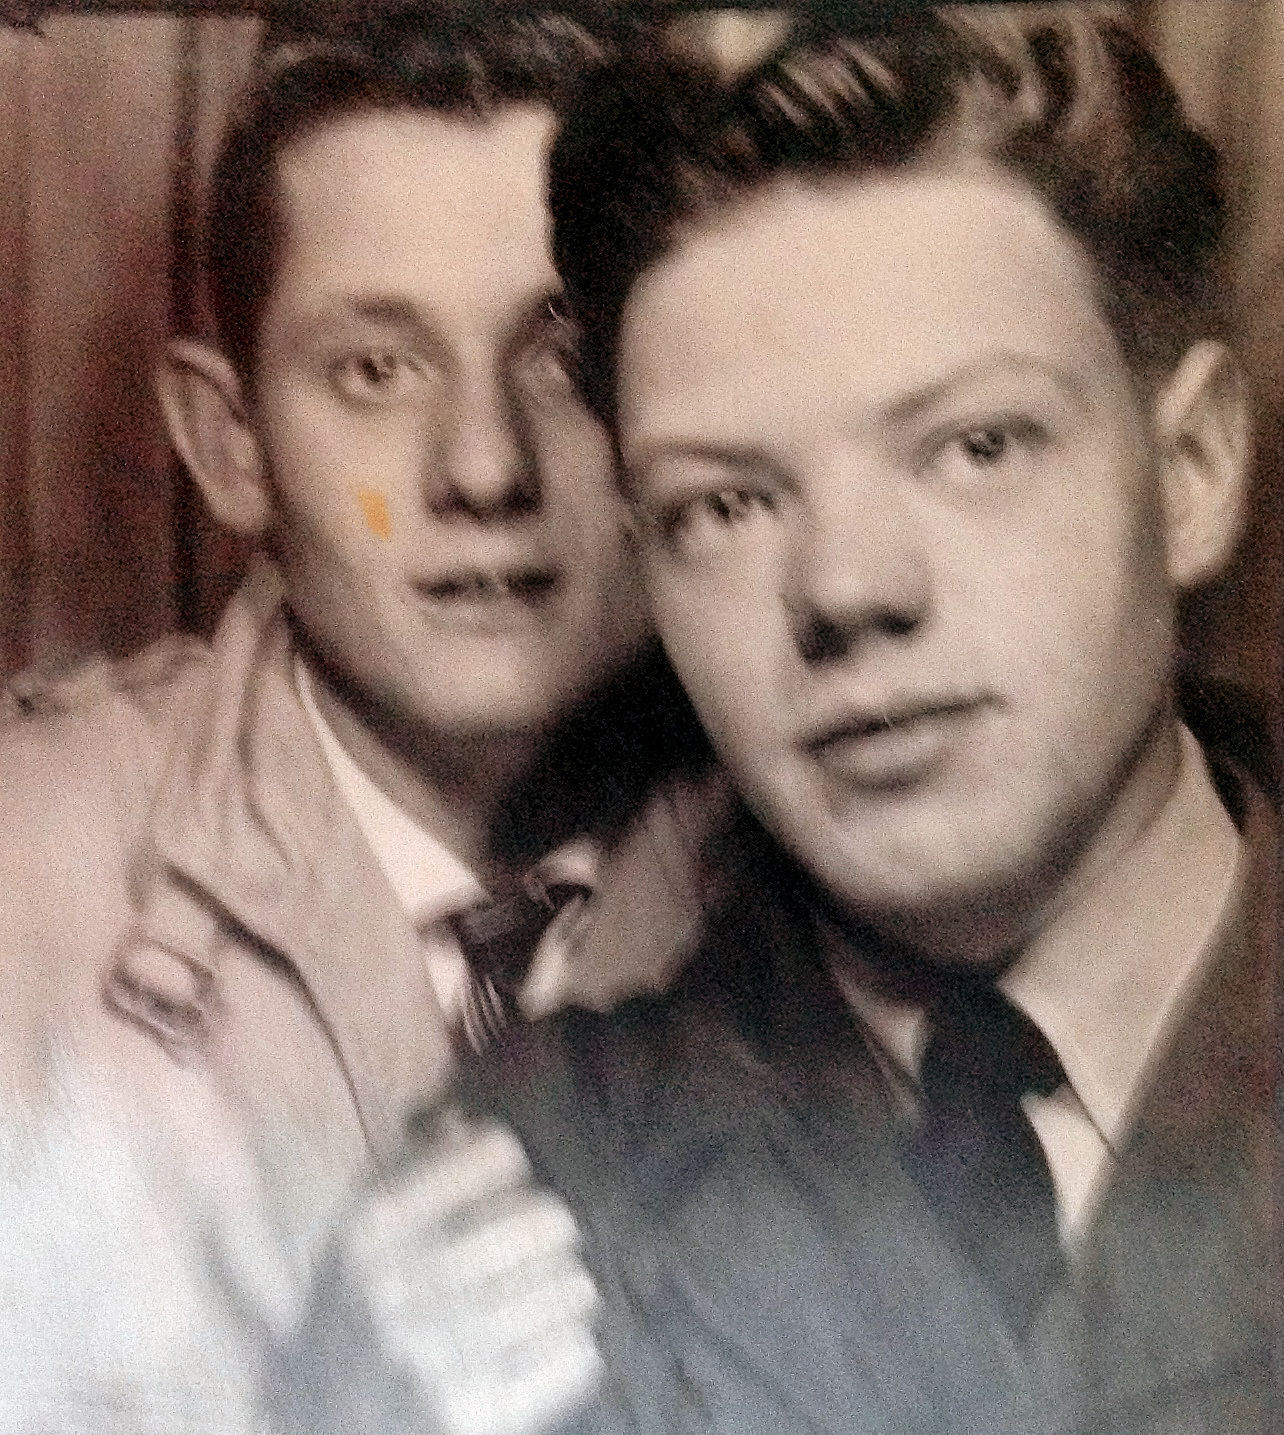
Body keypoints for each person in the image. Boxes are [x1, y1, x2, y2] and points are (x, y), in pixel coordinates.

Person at [339, 6, 1273, 1432]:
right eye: (725, 504)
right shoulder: (513, 1208)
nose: (845, 588)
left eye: (974, 447)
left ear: (1193, 469)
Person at [0, 6, 709, 1432]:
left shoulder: (854, 853)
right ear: (232, 447)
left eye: (567, 358)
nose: (483, 470)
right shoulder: (22, 884)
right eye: (376, 370)